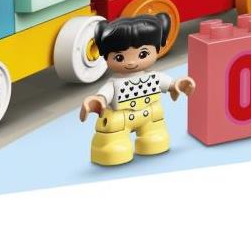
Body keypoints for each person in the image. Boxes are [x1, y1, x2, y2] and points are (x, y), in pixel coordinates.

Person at [79, 13, 195, 166]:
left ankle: (152, 137)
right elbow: (103, 96)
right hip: (119, 120)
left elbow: (170, 84)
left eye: (142, 54)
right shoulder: (114, 84)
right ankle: (111, 147)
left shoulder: (154, 77)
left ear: (157, 49)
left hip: (150, 116)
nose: (132, 62)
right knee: (113, 147)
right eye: (120, 57)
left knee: (155, 137)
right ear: (106, 56)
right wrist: (98, 101)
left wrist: (178, 85)